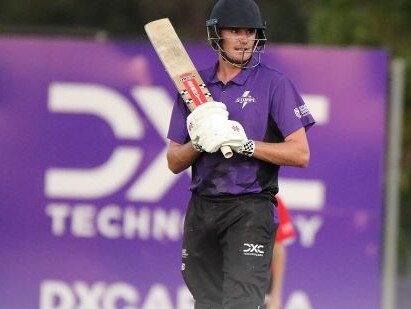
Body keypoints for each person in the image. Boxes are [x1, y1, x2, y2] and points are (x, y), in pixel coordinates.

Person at [166, 0, 315, 308]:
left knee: (241, 303)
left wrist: (245, 144)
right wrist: (201, 141)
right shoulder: (195, 88)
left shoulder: (275, 84)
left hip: (250, 206)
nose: (244, 38)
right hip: (202, 209)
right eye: (235, 31)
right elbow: (173, 161)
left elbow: (300, 153)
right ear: (217, 35)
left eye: (250, 31)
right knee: (206, 303)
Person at [266, 196, 296, 309]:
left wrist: (276, 295)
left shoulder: (272, 201)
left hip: (263, 281)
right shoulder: (220, 197)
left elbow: (278, 251)